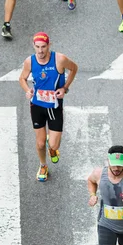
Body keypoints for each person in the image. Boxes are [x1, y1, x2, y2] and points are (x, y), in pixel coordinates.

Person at [19, 32, 78, 182]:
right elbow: (22, 78)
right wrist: (27, 90)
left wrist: (65, 87)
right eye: (37, 47)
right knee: (39, 143)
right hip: (37, 105)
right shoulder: (30, 62)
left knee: (54, 144)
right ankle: (43, 165)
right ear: (33, 46)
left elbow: (74, 68)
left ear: (49, 45)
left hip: (54, 106)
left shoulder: (60, 59)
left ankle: (51, 146)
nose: (40, 51)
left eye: (43, 47)